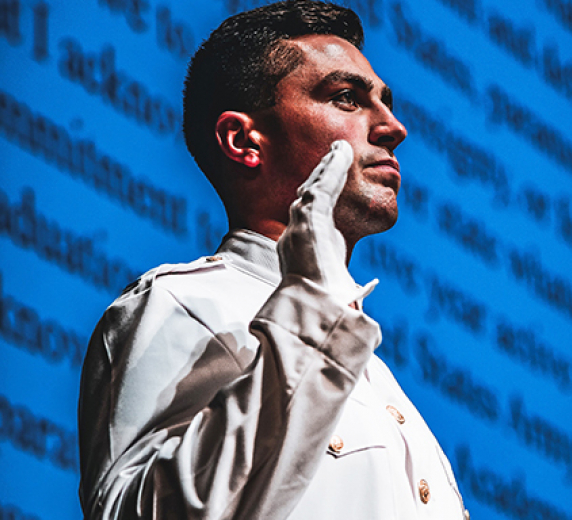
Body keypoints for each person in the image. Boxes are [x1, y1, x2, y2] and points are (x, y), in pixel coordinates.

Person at [78, 1, 469, 518]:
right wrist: (312, 306)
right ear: (244, 140)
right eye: (347, 99)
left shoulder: (384, 386)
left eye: (385, 102)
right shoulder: (186, 302)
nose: (393, 127)